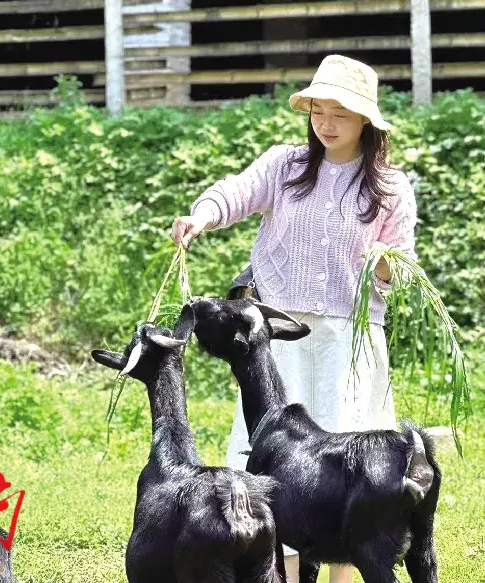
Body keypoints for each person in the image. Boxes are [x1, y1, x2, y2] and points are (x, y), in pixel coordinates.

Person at [171, 54, 417, 583]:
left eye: (340, 114)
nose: (326, 124)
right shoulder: (285, 166)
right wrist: (202, 215)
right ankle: (276, 571)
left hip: (347, 343)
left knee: (349, 465)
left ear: (366, 121)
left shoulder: (389, 187)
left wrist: (386, 265)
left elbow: (401, 265)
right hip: (277, 339)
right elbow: (236, 192)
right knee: (272, 462)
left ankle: (341, 576)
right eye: (318, 111)